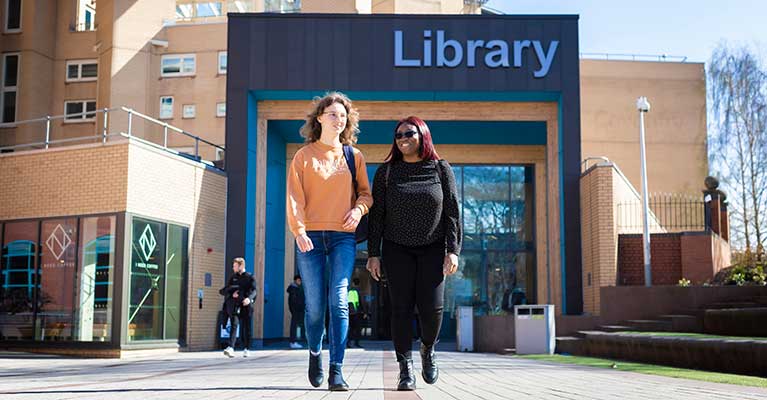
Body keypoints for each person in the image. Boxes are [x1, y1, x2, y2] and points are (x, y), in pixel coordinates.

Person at [366, 116, 461, 391]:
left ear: (423, 135)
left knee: (433, 309)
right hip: (397, 249)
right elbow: (377, 217)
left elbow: (452, 212)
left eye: (409, 133)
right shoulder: (386, 173)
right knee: (400, 309)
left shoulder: (440, 168)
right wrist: (374, 253)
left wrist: (452, 250)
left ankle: (427, 349)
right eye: (398, 135)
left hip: (433, 247)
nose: (403, 138)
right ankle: (405, 369)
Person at [286, 92, 373, 391]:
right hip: (309, 237)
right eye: (333, 114)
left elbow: (366, 194)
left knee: (338, 300)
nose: (339, 119)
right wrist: (298, 231)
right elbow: (295, 198)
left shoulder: (353, 156)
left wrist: (359, 209)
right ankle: (314, 353)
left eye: (344, 116)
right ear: (320, 117)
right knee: (314, 308)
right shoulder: (303, 156)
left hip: (342, 238)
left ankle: (336, 368)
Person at [219, 257, 257, 358]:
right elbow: (227, 289)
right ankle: (231, 347)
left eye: (235, 266)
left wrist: (249, 299)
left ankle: (247, 348)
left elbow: (254, 291)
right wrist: (232, 295)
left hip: (246, 305)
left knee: (246, 327)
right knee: (234, 324)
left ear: (241, 266)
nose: (233, 268)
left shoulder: (249, 277)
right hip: (235, 306)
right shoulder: (233, 278)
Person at [287, 274, 306, 349]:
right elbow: (293, 301)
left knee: (295, 325)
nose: (300, 282)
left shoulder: (296, 288)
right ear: (296, 280)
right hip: (296, 310)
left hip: (297, 310)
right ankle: (293, 341)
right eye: (299, 280)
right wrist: (297, 309)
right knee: (294, 325)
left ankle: (294, 341)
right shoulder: (294, 289)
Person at [347, 278, 362, 348]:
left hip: (349, 313)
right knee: (357, 329)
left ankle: (349, 342)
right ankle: (356, 342)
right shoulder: (357, 291)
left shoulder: (349, 291)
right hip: (356, 313)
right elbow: (359, 303)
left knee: (351, 328)